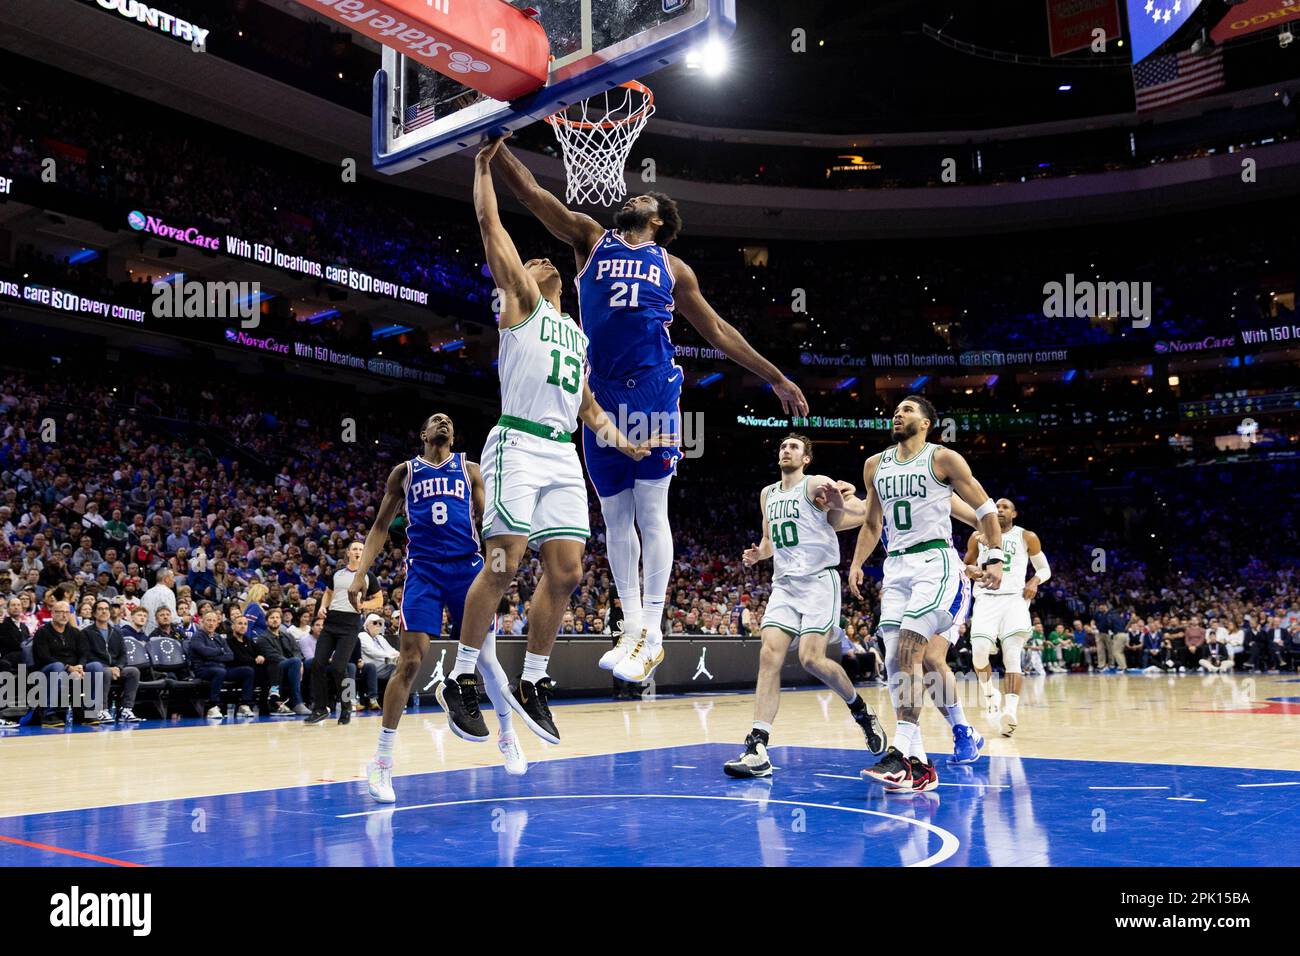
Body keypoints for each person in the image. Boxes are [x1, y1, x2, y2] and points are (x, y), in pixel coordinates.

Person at [491, 136, 809, 685]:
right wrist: (493, 151)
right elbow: (536, 196)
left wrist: (775, 376)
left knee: (650, 508)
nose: (635, 199)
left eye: (647, 200)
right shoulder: (590, 238)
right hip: (600, 391)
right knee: (615, 516)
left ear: (659, 220)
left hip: (653, 390)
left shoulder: (673, 268)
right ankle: (632, 627)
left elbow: (718, 331)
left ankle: (655, 631)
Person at [435, 137, 665, 749]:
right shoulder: (523, 306)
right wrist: (483, 165)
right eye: (534, 261)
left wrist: (629, 441)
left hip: (562, 451)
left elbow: (587, 408)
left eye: (544, 259)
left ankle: (534, 680)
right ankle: (458, 677)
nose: (543, 260)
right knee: (505, 561)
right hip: (517, 444)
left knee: (565, 572)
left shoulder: (577, 335)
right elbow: (491, 226)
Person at [348, 412, 529, 803]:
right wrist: (360, 574)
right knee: (409, 662)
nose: (443, 421)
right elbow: (380, 527)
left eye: (449, 420)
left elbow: (491, 525)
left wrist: (498, 572)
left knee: (485, 658)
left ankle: (507, 734)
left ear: (453, 434)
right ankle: (381, 761)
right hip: (424, 572)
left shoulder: (470, 469)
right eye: (435, 420)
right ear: (423, 433)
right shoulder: (405, 473)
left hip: (468, 570)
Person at [848, 396, 1004, 794]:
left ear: (926, 423)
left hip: (936, 563)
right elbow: (871, 521)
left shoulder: (943, 459)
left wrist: (996, 558)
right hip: (895, 567)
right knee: (898, 662)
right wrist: (855, 563)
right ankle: (918, 764)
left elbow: (984, 508)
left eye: (907, 410)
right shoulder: (874, 465)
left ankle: (900, 751)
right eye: (896, 409)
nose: (898, 414)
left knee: (918, 652)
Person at [723, 435, 886, 778]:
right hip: (784, 584)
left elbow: (857, 516)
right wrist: (758, 554)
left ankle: (861, 711)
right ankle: (758, 745)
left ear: (807, 458)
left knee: (811, 659)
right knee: (769, 656)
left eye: (794, 447)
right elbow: (769, 542)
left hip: (818, 581)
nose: (786, 450)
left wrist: (846, 501)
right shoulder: (768, 494)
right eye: (783, 446)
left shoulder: (817, 484)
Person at [963, 498, 1050, 737]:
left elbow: (1044, 569)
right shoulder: (977, 536)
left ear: (1014, 514)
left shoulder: (1027, 536)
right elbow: (966, 565)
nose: (1000, 510)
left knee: (1012, 655)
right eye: (997, 507)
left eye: (1005, 507)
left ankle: (1010, 712)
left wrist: (1034, 581)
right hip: (986, 599)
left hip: (1014, 599)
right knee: (979, 650)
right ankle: (990, 695)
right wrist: (971, 570)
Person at [307, 541, 382, 725]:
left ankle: (347, 706)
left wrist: (363, 605)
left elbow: (379, 600)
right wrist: (323, 606)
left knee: (339, 668)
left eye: (361, 549)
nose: (358, 551)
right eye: (354, 549)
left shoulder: (368, 576)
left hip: (350, 625)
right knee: (317, 664)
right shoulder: (337, 574)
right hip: (331, 622)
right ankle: (320, 708)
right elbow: (328, 593)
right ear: (348, 552)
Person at [77, 598, 142, 722]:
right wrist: (108, 668)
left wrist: (118, 667)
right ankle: (102, 710)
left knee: (133, 671)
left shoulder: (117, 632)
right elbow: (86, 655)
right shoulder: (86, 632)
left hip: (115, 669)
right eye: (100, 609)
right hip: (96, 668)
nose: (104, 611)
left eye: (106, 609)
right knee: (105, 672)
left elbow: (123, 655)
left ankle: (126, 709)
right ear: (94, 613)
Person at [188, 606, 255, 719]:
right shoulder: (197, 636)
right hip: (202, 669)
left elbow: (230, 656)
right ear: (202, 622)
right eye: (208, 620)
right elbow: (204, 652)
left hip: (221, 668)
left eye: (214, 621)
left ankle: (244, 705)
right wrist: (220, 652)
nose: (211, 623)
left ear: (217, 623)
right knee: (219, 672)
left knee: (248, 671)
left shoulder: (218, 637)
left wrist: (213, 656)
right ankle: (213, 706)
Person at [255, 606, 310, 715]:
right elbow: (272, 655)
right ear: (266, 622)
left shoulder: (288, 636)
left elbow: (297, 651)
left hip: (292, 665)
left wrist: (300, 663)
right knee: (294, 661)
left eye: (277, 617)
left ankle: (314, 701)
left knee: (310, 664)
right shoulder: (262, 638)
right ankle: (297, 702)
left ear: (280, 620)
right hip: (274, 668)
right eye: (271, 618)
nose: (275, 620)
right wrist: (295, 663)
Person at [356, 613, 399, 711]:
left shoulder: (379, 637)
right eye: (375, 623)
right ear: (367, 625)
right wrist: (391, 657)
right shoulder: (362, 635)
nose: (378, 626)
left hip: (383, 664)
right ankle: (390, 698)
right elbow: (372, 652)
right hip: (370, 666)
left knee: (401, 665)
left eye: (380, 624)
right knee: (395, 665)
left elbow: (390, 649)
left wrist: (399, 655)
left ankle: (394, 698)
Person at [140, 567, 176, 631]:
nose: (174, 580)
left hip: (145, 633)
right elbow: (172, 618)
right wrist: (183, 619)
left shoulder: (146, 593)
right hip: (161, 634)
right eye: (173, 577)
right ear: (166, 579)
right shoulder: (168, 592)